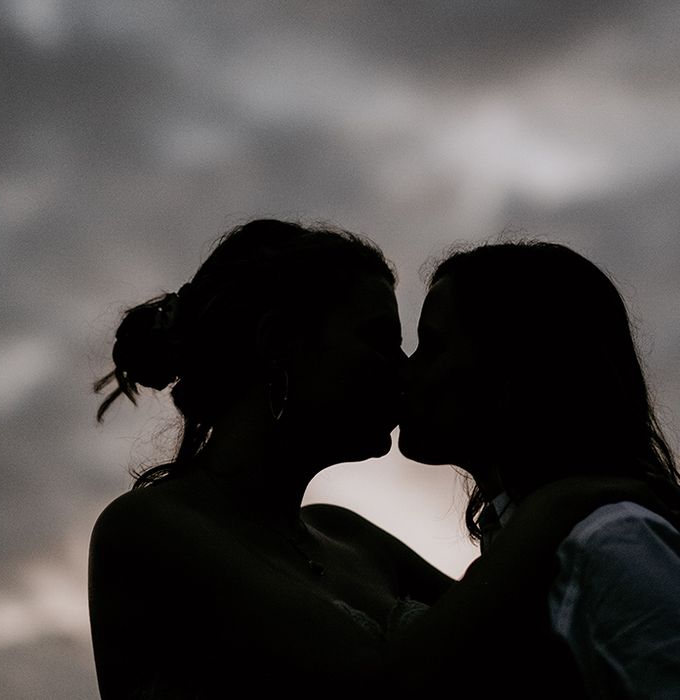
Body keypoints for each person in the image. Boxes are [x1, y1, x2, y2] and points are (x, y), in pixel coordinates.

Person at [90, 221, 657, 698]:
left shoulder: (350, 537)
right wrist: (558, 507)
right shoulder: (147, 531)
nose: (404, 369)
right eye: (380, 339)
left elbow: (516, 652)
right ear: (277, 345)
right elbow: (388, 685)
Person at [398, 240, 680, 697]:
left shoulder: (610, 542)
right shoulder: (524, 540)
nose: (405, 374)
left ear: (510, 378)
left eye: (431, 347)